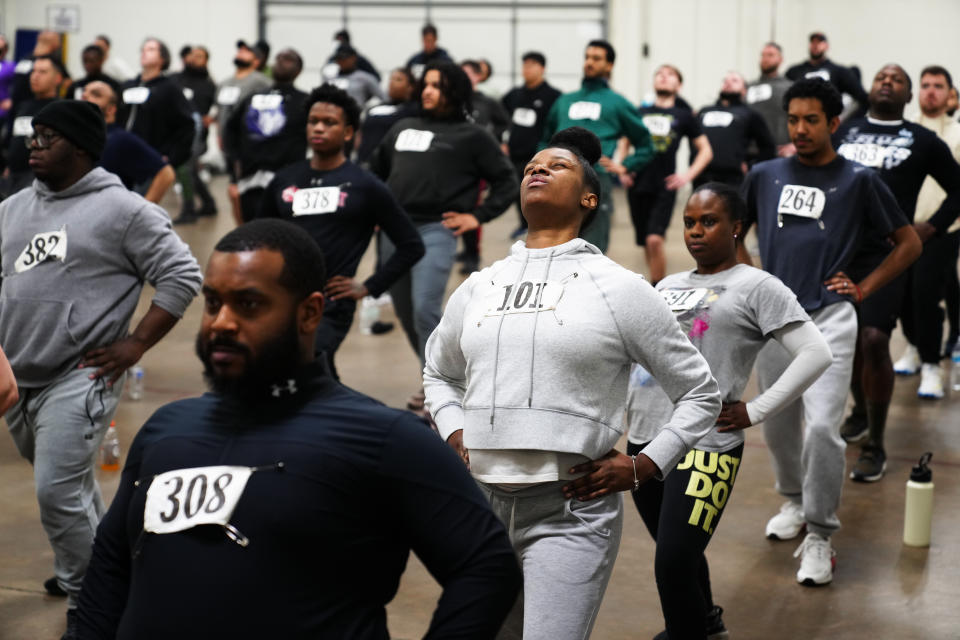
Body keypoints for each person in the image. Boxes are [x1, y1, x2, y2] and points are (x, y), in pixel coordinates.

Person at [76, 218, 521, 639]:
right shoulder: (165, 429)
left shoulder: (384, 438)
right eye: (213, 303)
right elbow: (111, 565)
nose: (222, 322)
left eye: (248, 304)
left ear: (309, 313)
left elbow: (487, 565)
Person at [423, 127, 721, 639]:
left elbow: (700, 393)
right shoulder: (479, 285)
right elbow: (440, 373)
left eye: (555, 165)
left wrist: (646, 464)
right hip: (482, 510)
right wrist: (455, 431)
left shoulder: (620, 288)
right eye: (530, 166)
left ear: (590, 197)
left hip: (568, 512)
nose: (536, 169)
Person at [0, 100, 202, 638]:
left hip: (80, 374)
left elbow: (182, 275)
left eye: (49, 137)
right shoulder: (13, 207)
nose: (35, 146)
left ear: (83, 146)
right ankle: (96, 567)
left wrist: (136, 343)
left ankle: (91, 602)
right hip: (19, 378)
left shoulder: (125, 210)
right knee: (71, 488)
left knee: (56, 493)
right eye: (32, 137)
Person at [618, 183, 832, 639]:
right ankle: (708, 627)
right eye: (690, 223)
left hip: (706, 447)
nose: (696, 232)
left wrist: (755, 411)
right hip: (645, 440)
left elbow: (816, 353)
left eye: (709, 221)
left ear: (736, 228)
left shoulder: (757, 286)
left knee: (672, 565)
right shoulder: (668, 284)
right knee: (680, 555)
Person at [740, 78, 920, 584]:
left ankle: (820, 535)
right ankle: (794, 501)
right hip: (772, 321)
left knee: (822, 427)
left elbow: (907, 242)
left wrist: (863, 288)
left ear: (833, 123)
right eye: (793, 119)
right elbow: (737, 233)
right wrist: (749, 284)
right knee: (776, 425)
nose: (800, 129)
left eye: (811, 120)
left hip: (829, 318)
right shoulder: (765, 174)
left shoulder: (858, 180)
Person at [834, 64, 960, 481]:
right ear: (870, 90)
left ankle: (876, 444)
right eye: (880, 77)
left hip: (885, 256)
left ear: (907, 98)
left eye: (897, 80)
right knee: (843, 340)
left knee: (873, 338)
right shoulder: (844, 132)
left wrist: (932, 226)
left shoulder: (923, 139)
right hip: (838, 252)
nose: (886, 81)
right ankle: (860, 412)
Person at [369, 61, 516, 413]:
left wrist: (476, 216)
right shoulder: (403, 127)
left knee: (425, 308)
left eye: (437, 85)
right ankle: (432, 377)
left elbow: (507, 181)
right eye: (426, 85)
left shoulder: (473, 135)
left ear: (455, 92)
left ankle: (443, 388)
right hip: (394, 230)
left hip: (436, 230)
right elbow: (376, 170)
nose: (428, 91)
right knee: (404, 311)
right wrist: (373, 208)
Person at [257, 84, 424, 378]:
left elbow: (411, 244)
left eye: (329, 123)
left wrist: (368, 287)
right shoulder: (285, 180)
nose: (318, 128)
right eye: (313, 121)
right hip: (282, 297)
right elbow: (259, 238)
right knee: (297, 371)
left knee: (309, 359)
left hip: (330, 305)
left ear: (348, 133)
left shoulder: (366, 186)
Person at [540, 39, 655, 253]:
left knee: (590, 249)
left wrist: (625, 165)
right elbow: (544, 139)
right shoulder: (565, 101)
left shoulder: (617, 103)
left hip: (595, 179)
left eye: (596, 58)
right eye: (586, 57)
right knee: (552, 245)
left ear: (609, 65)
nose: (588, 63)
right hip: (556, 178)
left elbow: (646, 143)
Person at [897, 65, 960, 371]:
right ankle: (913, 348)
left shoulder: (958, 134)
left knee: (927, 295)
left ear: (950, 95)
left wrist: (936, 225)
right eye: (925, 85)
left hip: (943, 229)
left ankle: (932, 365)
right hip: (905, 229)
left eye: (938, 85)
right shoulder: (906, 133)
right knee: (905, 297)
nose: (931, 91)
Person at [629, 64, 713, 283]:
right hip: (637, 183)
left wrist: (687, 176)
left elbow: (706, 150)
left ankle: (659, 291)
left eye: (670, 75)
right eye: (659, 74)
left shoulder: (684, 115)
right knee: (646, 241)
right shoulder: (639, 112)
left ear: (679, 84)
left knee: (655, 239)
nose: (664, 78)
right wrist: (623, 168)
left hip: (664, 184)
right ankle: (653, 283)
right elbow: (625, 140)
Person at [225, 48, 308, 223]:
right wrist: (233, 170)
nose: (282, 61)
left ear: (299, 70)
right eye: (279, 58)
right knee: (253, 234)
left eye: (289, 59)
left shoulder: (305, 102)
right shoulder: (253, 98)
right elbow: (230, 130)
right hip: (251, 180)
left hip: (289, 182)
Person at [457, 58, 511, 274]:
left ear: (478, 77)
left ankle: (473, 254)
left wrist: (494, 140)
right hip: (453, 163)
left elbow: (504, 122)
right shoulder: (454, 102)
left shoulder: (486, 102)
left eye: (467, 75)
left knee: (471, 207)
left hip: (476, 164)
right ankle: (464, 249)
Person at [82, 80, 175, 203]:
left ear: (111, 109)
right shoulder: (78, 137)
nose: (85, 96)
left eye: (95, 94)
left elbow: (166, 174)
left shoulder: (119, 139)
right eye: (84, 92)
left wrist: (142, 213)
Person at [501, 51, 562, 237]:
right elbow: (500, 118)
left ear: (542, 69)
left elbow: (556, 125)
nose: (527, 69)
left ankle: (543, 225)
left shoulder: (553, 96)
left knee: (540, 191)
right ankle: (524, 224)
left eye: (532, 65)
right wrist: (502, 141)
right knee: (517, 191)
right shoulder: (514, 95)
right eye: (525, 65)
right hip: (514, 154)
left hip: (539, 155)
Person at [215, 40, 272, 225]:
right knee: (233, 189)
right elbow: (220, 112)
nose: (240, 53)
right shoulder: (224, 83)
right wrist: (219, 135)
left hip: (248, 144)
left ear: (256, 60)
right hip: (228, 143)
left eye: (246, 51)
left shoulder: (262, 82)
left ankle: (252, 226)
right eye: (239, 50)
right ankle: (241, 227)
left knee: (245, 188)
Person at [119, 38, 195, 173]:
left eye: (151, 49)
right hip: (123, 155)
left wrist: (172, 157)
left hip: (151, 158)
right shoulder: (128, 86)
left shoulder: (169, 88)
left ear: (163, 59)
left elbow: (187, 125)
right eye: (143, 49)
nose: (144, 52)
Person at [696, 71, 775, 188]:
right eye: (725, 80)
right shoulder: (704, 111)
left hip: (732, 179)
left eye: (734, 81)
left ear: (744, 90)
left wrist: (751, 166)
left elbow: (768, 147)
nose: (728, 83)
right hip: (702, 176)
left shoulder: (750, 114)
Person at [171, 45, 218, 222]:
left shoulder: (209, 85)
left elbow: (220, 107)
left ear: (206, 61)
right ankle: (209, 203)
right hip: (177, 134)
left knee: (185, 168)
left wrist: (212, 118)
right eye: (192, 54)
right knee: (191, 171)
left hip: (197, 137)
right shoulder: (175, 79)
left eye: (199, 56)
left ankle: (188, 209)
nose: (194, 58)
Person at [3, 55, 62, 195]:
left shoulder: (59, 108)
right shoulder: (23, 106)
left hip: (38, 179)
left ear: (57, 78)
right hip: (12, 176)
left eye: (42, 72)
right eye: (34, 71)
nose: (35, 76)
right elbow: (14, 140)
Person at [786, 32, 867, 120]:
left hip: (829, 122)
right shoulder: (795, 71)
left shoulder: (839, 71)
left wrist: (850, 122)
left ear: (826, 46)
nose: (815, 45)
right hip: (802, 119)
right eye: (813, 42)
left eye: (819, 42)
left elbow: (863, 98)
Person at [355, 67, 419, 165]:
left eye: (398, 80)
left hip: (391, 165)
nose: (392, 83)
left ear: (410, 87)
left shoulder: (414, 110)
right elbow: (361, 132)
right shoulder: (376, 108)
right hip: (363, 162)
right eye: (391, 79)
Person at [747, 42, 795, 154]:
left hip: (780, 151)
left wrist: (795, 145)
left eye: (770, 55)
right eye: (763, 55)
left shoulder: (790, 87)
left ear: (780, 59)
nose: (765, 59)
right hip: (751, 152)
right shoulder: (748, 87)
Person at [329, 44, 385, 109]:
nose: (341, 61)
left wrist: (372, 111)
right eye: (338, 59)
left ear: (353, 58)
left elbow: (384, 97)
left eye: (344, 58)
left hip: (356, 115)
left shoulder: (365, 78)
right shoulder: (330, 77)